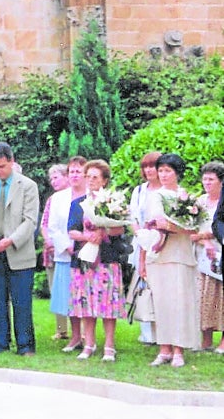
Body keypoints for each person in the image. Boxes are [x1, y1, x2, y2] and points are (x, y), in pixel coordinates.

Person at [0, 142, 40, 358]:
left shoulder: (28, 186)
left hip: (18, 250)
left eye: (2, 166)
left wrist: (11, 240)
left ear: (11, 162)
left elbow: (30, 221)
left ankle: (25, 346)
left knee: (22, 301)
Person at [139, 153, 199, 368]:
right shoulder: (154, 196)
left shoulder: (186, 197)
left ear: (177, 173)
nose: (163, 175)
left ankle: (178, 349)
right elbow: (154, 223)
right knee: (162, 303)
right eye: (161, 170)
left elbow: (193, 226)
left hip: (180, 254)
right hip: (158, 255)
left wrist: (176, 227)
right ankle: (164, 348)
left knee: (179, 303)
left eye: (167, 171)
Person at [68, 160, 128, 362]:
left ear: (104, 180)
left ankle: (109, 346)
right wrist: (88, 237)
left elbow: (121, 229)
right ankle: (89, 344)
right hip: (84, 259)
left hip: (107, 259)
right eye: (88, 176)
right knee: (86, 304)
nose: (90, 180)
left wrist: (104, 230)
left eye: (95, 177)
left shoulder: (113, 203)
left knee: (108, 305)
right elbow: (72, 231)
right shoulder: (77, 204)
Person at [128, 151, 163, 345]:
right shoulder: (139, 191)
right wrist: (140, 235)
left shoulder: (166, 191)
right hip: (141, 241)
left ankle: (163, 332)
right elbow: (132, 216)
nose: (149, 170)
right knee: (143, 285)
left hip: (161, 243)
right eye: (146, 166)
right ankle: (147, 332)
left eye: (153, 166)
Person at [55, 158, 87, 353]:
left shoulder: (94, 196)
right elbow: (53, 227)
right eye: (72, 171)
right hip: (67, 253)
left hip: (90, 253)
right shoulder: (59, 198)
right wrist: (67, 246)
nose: (75, 175)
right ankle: (75, 336)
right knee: (71, 298)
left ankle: (87, 336)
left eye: (78, 171)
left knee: (87, 296)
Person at [192, 162, 223, 352]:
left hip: (221, 251)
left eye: (211, 179)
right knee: (204, 297)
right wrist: (205, 241)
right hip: (202, 255)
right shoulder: (199, 202)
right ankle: (206, 339)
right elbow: (191, 230)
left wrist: (209, 236)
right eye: (204, 179)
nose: (207, 183)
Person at [40, 164, 71, 341]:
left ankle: (80, 330)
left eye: (56, 177)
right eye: (51, 179)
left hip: (70, 249)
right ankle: (61, 329)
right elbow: (44, 224)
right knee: (56, 289)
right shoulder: (53, 199)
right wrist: (48, 240)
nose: (53, 182)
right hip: (53, 250)